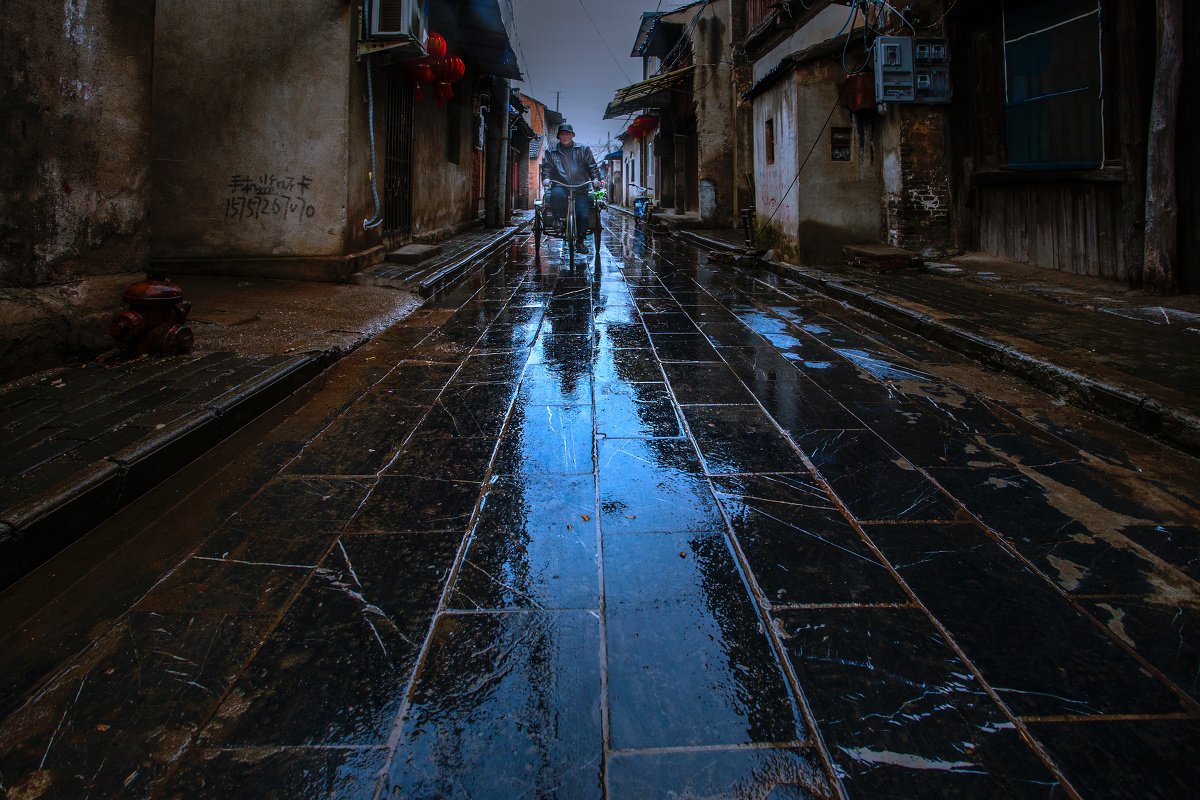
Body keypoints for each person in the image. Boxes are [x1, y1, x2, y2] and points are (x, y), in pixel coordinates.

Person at [540, 124, 601, 254]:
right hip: (560, 185)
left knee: (583, 214)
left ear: (572, 135)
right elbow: (546, 169)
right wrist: (546, 178)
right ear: (558, 137)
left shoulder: (583, 150)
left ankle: (580, 241)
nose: (565, 136)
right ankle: (557, 220)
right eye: (562, 134)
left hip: (580, 187)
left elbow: (592, 167)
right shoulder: (551, 152)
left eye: (567, 134)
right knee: (556, 194)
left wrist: (596, 179)